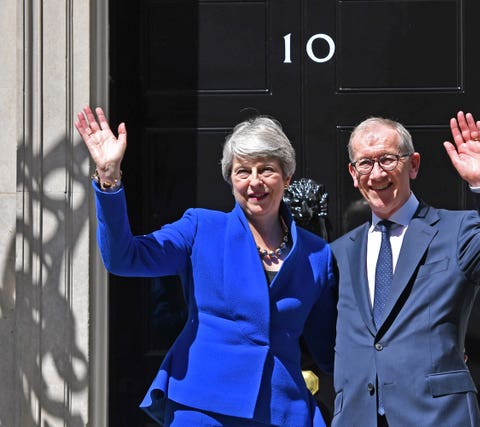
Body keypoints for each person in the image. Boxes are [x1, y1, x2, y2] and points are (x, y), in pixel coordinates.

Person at [74, 106, 337, 426]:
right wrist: (109, 177)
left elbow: (328, 349)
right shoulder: (200, 228)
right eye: (243, 171)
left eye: (266, 169)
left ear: (287, 176)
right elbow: (124, 258)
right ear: (230, 179)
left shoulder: (317, 254)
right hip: (203, 405)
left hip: (283, 410)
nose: (254, 181)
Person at [330, 111, 480, 426]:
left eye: (387, 159)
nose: (376, 174)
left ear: (413, 164)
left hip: (437, 416)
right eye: (365, 163)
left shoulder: (456, 231)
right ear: (353, 172)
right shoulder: (339, 253)